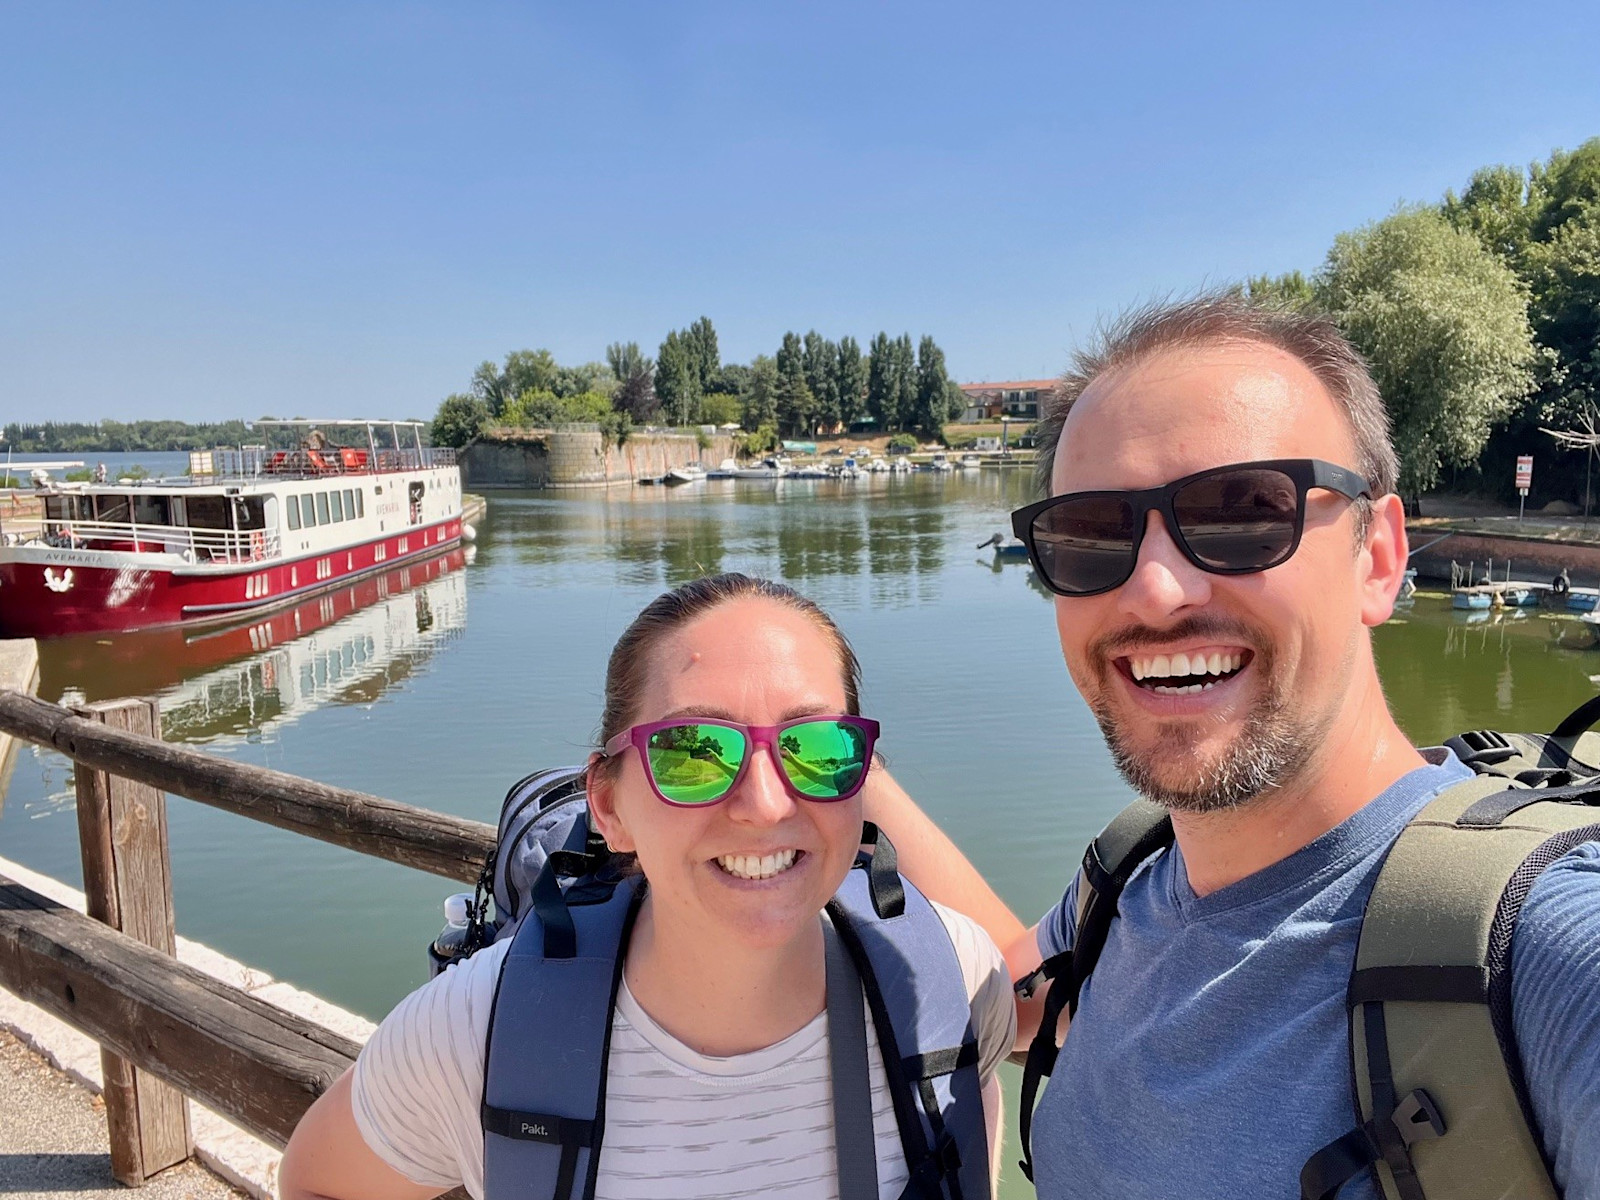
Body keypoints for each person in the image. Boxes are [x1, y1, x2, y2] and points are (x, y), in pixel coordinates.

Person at [864, 295, 1600, 1198]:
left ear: (1379, 559)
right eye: (1093, 534)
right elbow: (1011, 1000)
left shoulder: (1544, 961)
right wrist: (831, 754)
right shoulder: (1134, 879)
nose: (1157, 589)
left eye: (1245, 512)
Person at [279, 573, 1014, 1200]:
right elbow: (316, 1180)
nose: (764, 803)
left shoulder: (949, 982)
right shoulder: (476, 1032)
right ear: (608, 806)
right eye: (694, 753)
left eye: (816, 747)